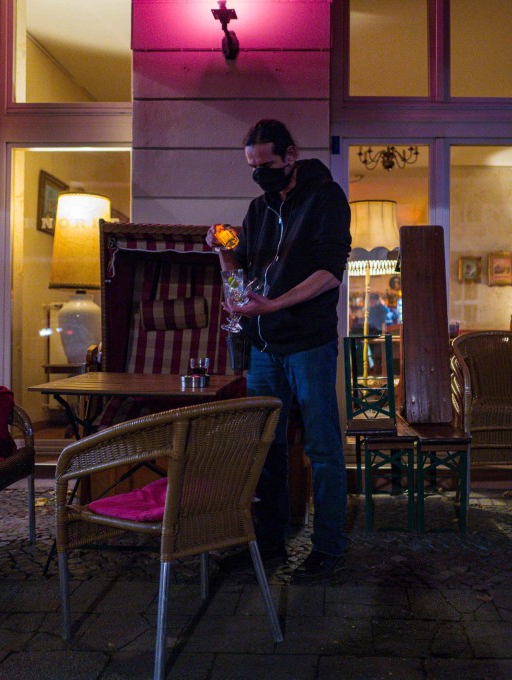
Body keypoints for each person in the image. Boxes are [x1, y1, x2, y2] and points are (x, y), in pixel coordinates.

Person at [207, 119, 351, 581]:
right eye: (252, 166)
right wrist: (223, 252)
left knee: (322, 447)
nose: (259, 174)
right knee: (266, 447)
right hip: (265, 347)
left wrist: (274, 304)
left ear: (290, 156)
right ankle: (270, 545)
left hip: (308, 344)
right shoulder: (258, 209)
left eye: (266, 165)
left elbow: (330, 272)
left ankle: (328, 547)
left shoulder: (326, 197)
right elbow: (240, 283)